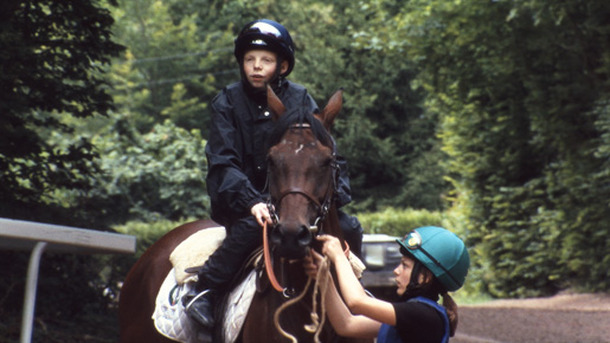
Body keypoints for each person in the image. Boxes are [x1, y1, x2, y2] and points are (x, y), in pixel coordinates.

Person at [183, 18, 363, 330]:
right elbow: (223, 163)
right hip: (244, 202)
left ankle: (356, 292)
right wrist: (253, 201)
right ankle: (204, 290)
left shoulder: (302, 99)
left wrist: (336, 197)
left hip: (298, 200)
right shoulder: (226, 102)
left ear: (281, 67)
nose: (255, 67)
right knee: (255, 226)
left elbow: (326, 152)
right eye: (249, 60)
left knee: (350, 226)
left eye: (265, 60)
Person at [304, 226, 470, 343]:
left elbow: (357, 302)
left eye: (404, 265)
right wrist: (325, 277)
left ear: (425, 277)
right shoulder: (415, 315)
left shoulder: (422, 315)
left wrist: (339, 257)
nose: (396, 271)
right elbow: (347, 324)